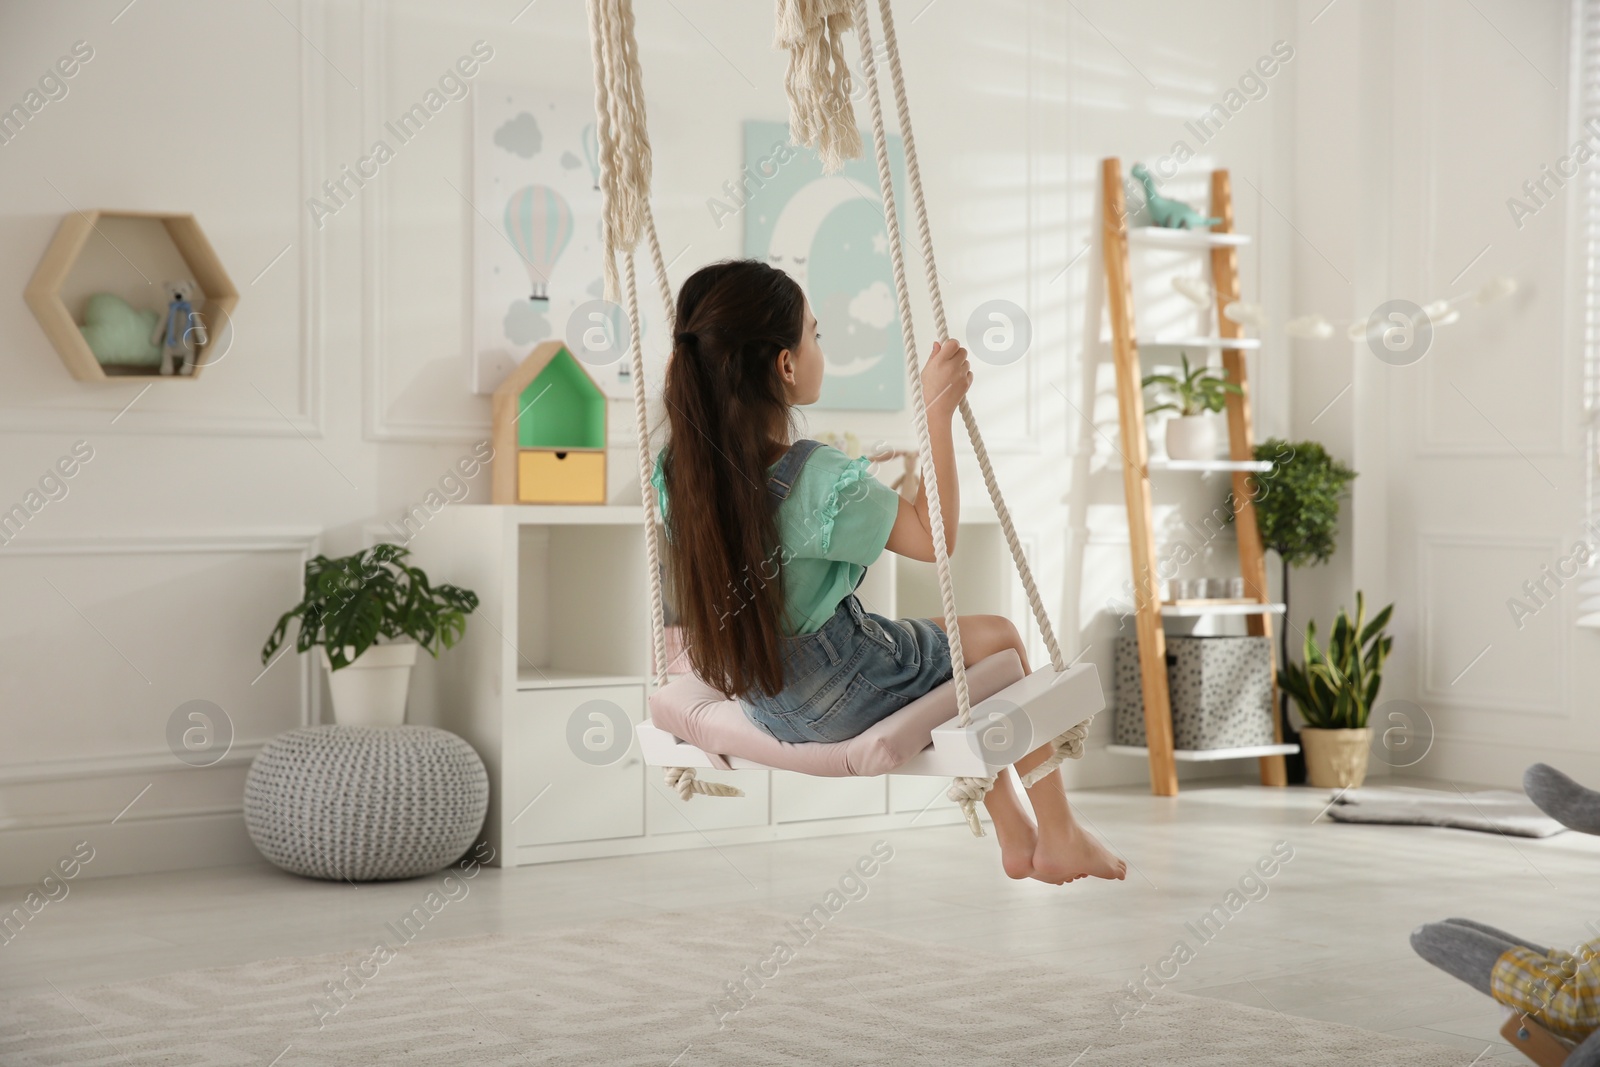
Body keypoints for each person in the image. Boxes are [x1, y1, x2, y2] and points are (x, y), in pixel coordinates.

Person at [650, 259, 1126, 885]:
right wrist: (936, 413)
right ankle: (1055, 833)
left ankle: (1017, 836)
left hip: (766, 700)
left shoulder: (677, 472)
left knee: (959, 666)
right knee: (999, 640)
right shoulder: (817, 478)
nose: (821, 346)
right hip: (844, 686)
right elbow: (937, 540)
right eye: (815, 334)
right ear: (785, 366)